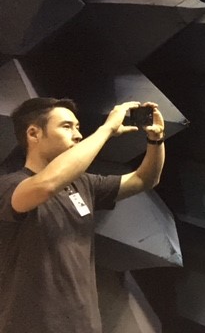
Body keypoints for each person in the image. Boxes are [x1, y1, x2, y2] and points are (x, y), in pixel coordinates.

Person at [0, 97, 166, 333]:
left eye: (78, 127)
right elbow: (45, 186)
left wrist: (156, 139)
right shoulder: (9, 185)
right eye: (66, 126)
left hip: (84, 325)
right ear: (34, 134)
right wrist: (106, 129)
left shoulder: (83, 184)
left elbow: (144, 179)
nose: (77, 135)